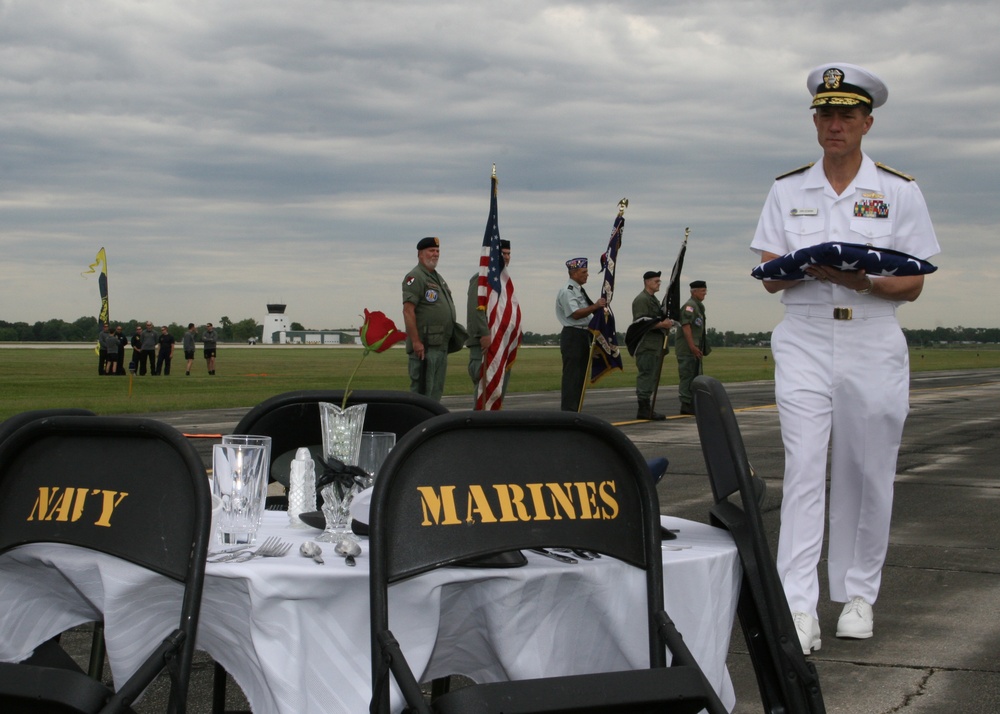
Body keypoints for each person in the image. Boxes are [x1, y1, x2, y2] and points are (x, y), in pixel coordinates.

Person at [750, 63, 940, 655]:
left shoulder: (899, 191)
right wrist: (801, 268)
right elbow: (768, 278)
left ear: (867, 122)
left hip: (872, 336)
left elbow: (913, 283)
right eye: (825, 114)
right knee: (804, 468)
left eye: (846, 115)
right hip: (804, 335)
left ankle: (858, 595)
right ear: (815, 122)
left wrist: (861, 282)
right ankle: (798, 606)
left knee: (866, 470)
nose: (835, 125)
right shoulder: (787, 190)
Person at [402, 236, 457, 401]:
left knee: (435, 392)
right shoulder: (415, 277)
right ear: (420, 254)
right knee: (422, 393)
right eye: (431, 250)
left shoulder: (437, 278)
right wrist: (416, 342)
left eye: (437, 251)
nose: (435, 254)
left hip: (440, 345)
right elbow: (408, 311)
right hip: (424, 347)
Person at [555, 257, 606, 412]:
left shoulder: (578, 290)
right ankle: (569, 410)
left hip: (583, 335)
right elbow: (575, 314)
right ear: (574, 273)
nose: (587, 275)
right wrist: (595, 306)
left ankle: (575, 409)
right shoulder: (568, 291)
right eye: (584, 272)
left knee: (581, 377)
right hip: (573, 335)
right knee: (573, 376)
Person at [466, 239, 513, 400]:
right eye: (502, 253)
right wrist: (484, 333)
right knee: (483, 397)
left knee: (497, 397)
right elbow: (476, 309)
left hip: (500, 346)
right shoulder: (481, 279)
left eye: (508, 254)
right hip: (483, 347)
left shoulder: (504, 282)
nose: (506, 257)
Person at [630, 271, 674, 420]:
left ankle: (647, 407)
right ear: (647, 282)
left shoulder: (652, 299)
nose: (659, 283)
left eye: (659, 281)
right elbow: (641, 322)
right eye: (656, 281)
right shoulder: (642, 299)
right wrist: (663, 324)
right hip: (647, 345)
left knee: (652, 376)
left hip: (655, 344)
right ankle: (643, 408)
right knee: (647, 375)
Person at [675, 281, 709, 415]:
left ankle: (692, 403)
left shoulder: (698, 306)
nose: (705, 293)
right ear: (693, 292)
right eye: (702, 290)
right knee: (687, 375)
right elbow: (686, 326)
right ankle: (686, 404)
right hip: (688, 349)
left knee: (695, 375)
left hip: (694, 348)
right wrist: (692, 346)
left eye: (705, 290)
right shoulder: (690, 306)